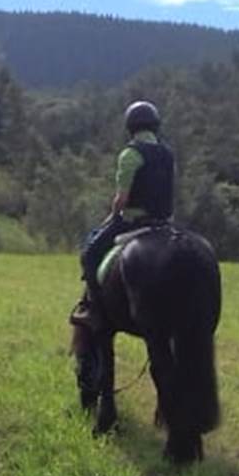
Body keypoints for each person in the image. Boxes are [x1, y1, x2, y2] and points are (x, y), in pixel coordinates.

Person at [70, 99, 175, 329]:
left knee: (89, 253)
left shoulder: (130, 154)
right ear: (155, 126)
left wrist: (112, 214)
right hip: (165, 224)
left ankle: (93, 311)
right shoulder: (167, 153)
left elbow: (122, 199)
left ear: (130, 127)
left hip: (133, 222)